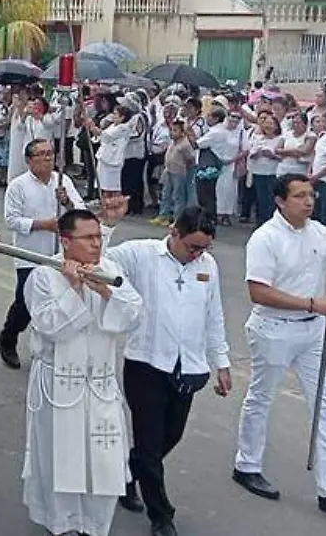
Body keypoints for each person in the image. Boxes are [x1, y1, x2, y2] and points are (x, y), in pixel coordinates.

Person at [232, 173, 326, 515]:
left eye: (311, 195)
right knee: (261, 398)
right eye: (299, 196)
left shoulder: (321, 232)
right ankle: (246, 465)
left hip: (315, 333)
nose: (308, 201)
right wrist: (311, 304)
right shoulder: (265, 238)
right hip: (274, 329)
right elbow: (258, 291)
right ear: (280, 201)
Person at [100, 206, 232, 536]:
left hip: (187, 368)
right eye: (193, 247)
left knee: (167, 439)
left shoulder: (208, 266)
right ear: (174, 232)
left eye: (204, 248)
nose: (198, 254)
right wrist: (106, 226)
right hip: (146, 365)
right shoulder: (142, 254)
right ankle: (162, 516)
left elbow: (213, 315)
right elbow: (99, 260)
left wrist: (222, 363)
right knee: (150, 445)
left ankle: (128, 474)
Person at [22, 208, 142, 536]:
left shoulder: (110, 270)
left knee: (102, 459)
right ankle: (63, 525)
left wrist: (104, 291)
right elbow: (49, 327)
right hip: (59, 384)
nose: (96, 244)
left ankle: (95, 524)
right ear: (65, 241)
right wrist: (74, 289)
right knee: (60, 458)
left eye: (98, 237)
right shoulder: (43, 275)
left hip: (100, 382)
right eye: (88, 238)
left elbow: (133, 313)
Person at [0, 138, 85, 370]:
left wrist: (66, 203)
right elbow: (12, 220)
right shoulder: (18, 185)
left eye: (50, 153)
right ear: (29, 160)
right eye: (42, 154)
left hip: (60, 254)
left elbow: (81, 212)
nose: (48, 158)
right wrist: (42, 224)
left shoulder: (62, 181)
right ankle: (8, 337)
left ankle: (49, 347)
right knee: (25, 302)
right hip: (30, 253)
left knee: (56, 300)